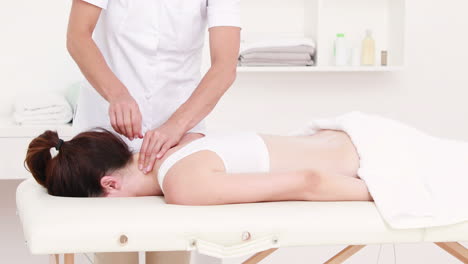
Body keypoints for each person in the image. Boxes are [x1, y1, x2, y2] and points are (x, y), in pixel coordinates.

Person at [66, 0, 241, 262]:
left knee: (171, 248)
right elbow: (77, 36)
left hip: (178, 136)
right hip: (106, 134)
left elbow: (225, 66)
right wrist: (118, 95)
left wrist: (177, 125)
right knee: (115, 252)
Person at [25, 127, 372, 203]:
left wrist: (384, 193)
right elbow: (197, 134)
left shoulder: (181, 185)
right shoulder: (176, 144)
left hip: (372, 158)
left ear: (110, 185)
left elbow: (308, 181)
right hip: (351, 133)